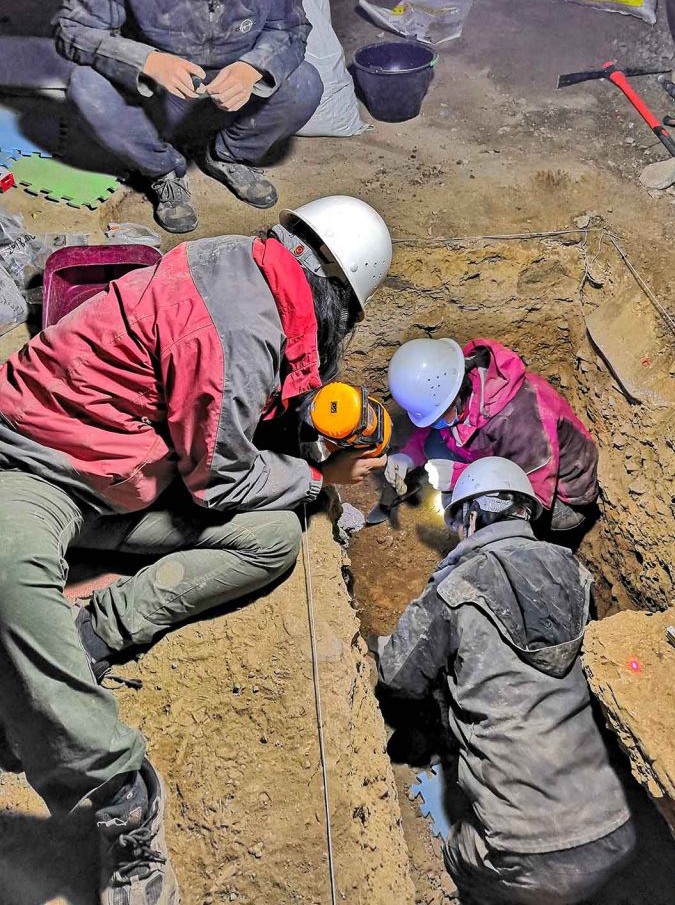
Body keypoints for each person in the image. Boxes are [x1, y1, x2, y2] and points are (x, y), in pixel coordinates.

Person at [0, 195, 391, 904]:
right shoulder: (240, 324)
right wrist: (318, 476)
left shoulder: (255, 265)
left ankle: (98, 629)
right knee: (10, 583)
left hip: (130, 472)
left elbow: (241, 400)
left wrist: (304, 414)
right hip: (41, 463)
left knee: (273, 538)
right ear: (334, 292)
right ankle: (124, 794)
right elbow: (221, 479)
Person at [374, 457, 635, 905]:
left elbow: (397, 675)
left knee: (456, 861)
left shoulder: (454, 589)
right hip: (615, 832)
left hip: (522, 855)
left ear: (472, 515)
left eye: (458, 520)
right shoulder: (577, 574)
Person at [54, 0, 324, 233]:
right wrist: (146, 61)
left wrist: (253, 69)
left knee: (305, 84)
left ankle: (227, 154)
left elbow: (291, 29)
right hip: (161, 99)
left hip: (235, 99)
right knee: (86, 89)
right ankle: (161, 169)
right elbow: (71, 28)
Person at [385, 337, 598, 531]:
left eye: (439, 415)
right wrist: (408, 456)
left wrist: (460, 477)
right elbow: (436, 422)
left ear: (457, 395)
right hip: (515, 458)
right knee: (435, 445)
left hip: (561, 494)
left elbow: (532, 493)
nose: (437, 423)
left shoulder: (520, 419)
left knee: (489, 522)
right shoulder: (458, 384)